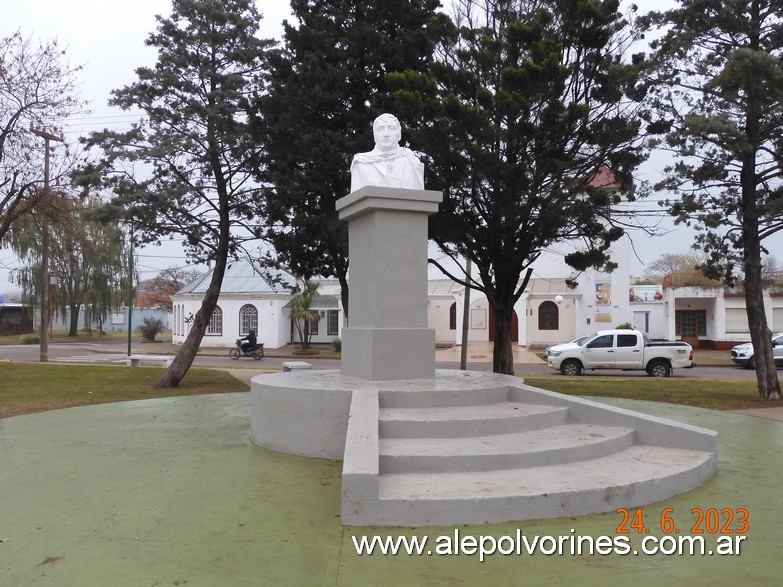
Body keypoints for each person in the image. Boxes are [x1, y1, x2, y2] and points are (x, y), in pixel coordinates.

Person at [350, 113, 424, 192]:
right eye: (380, 129)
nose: (386, 134)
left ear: (399, 134)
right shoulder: (361, 162)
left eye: (391, 129)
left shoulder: (412, 161)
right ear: (374, 134)